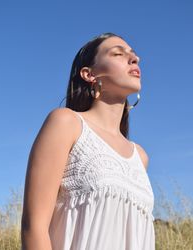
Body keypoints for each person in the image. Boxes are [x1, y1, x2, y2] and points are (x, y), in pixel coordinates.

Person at [21, 32, 155, 250]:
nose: (134, 59)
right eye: (118, 54)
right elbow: (33, 226)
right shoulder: (66, 123)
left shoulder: (140, 156)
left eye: (134, 55)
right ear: (89, 74)